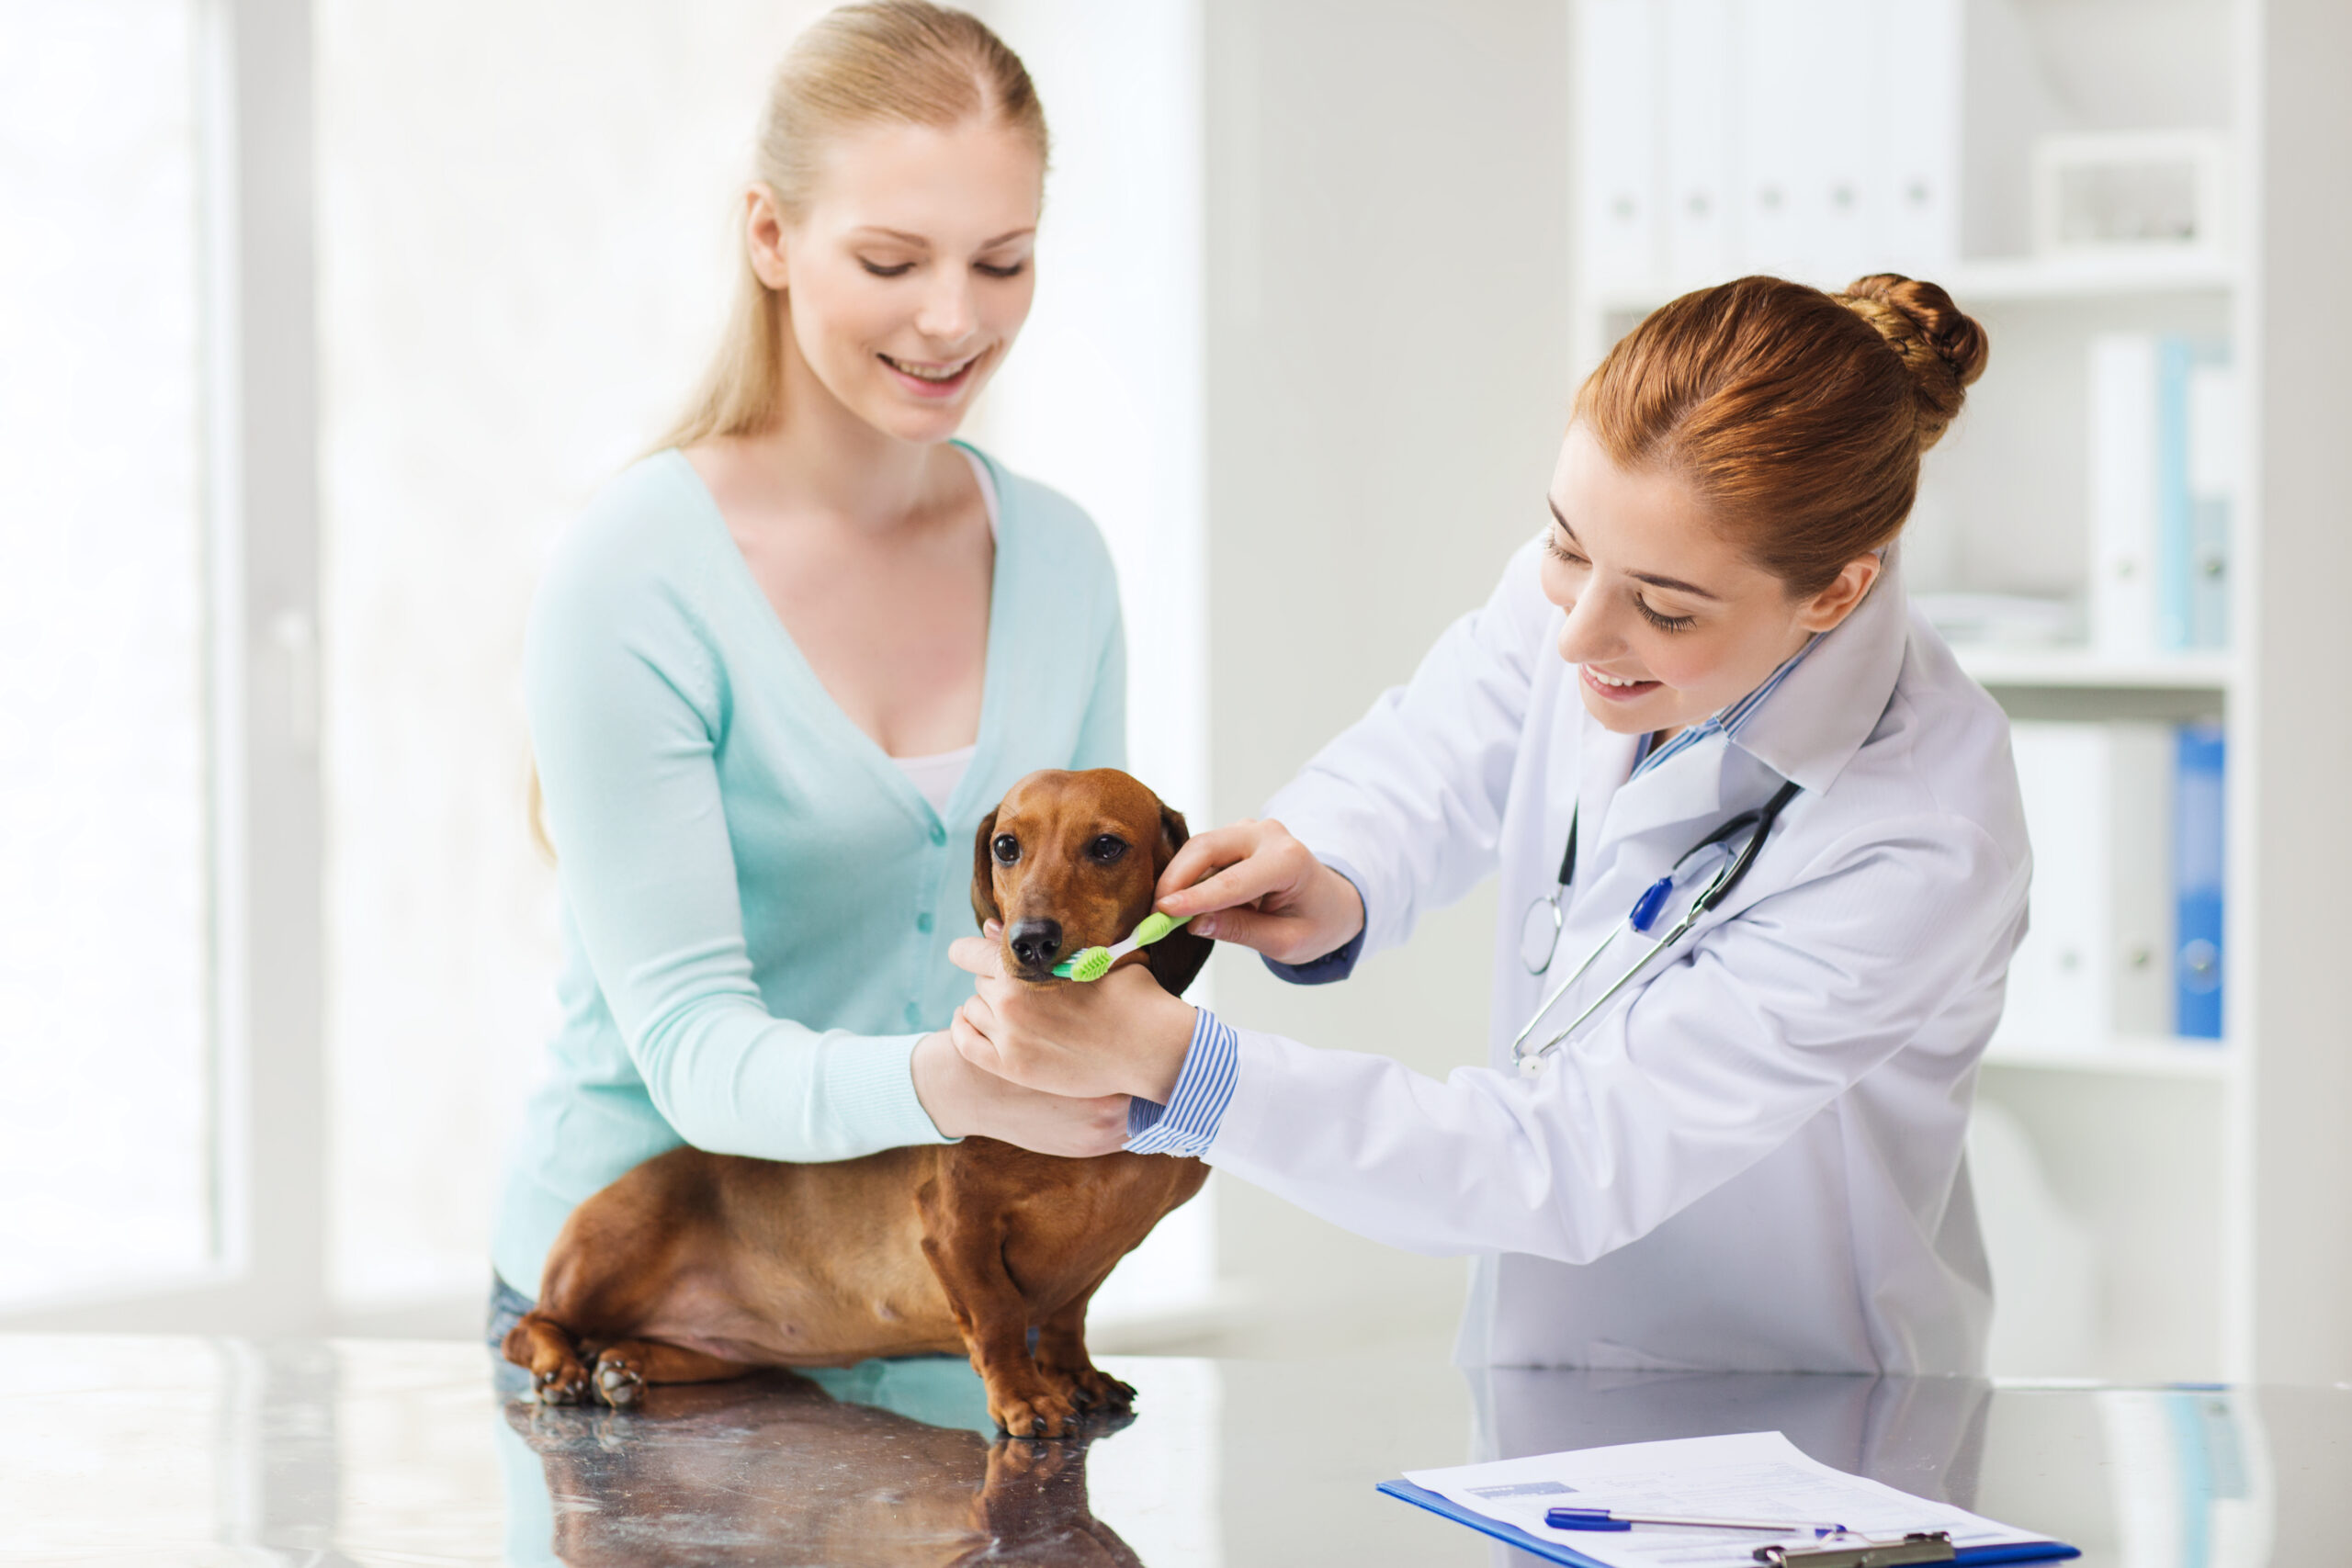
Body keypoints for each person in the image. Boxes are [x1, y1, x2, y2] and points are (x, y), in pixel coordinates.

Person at [949, 274, 2025, 1376]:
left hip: (1809, 1416)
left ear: (1837, 593)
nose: (1576, 636)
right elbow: (1433, 750)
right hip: (1542, 1372)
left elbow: (1577, 1159)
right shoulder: (1597, 585)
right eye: (1564, 548)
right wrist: (1327, 865)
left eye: (1663, 609)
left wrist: (1179, 1065)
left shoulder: (1920, 834)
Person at [489, 0, 1130, 1343]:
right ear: (771, 236)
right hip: (652, 1311)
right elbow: (693, 1054)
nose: (954, 319)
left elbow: (1077, 958)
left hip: (942, 1306)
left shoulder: (1062, 563)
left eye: (1002, 262)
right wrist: (963, 1083)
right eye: (892, 261)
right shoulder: (636, 572)